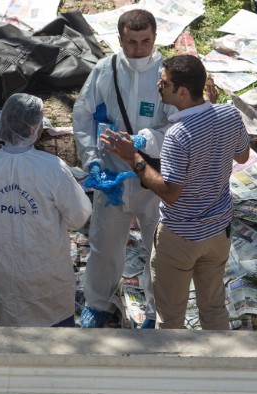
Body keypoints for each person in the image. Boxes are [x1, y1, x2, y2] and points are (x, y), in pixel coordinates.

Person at [102, 55, 250, 330]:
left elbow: (170, 193)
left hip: (180, 237)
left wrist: (133, 158)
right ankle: (219, 367)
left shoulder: (178, 135)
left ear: (182, 91)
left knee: (169, 318)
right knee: (214, 308)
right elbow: (242, 156)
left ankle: (172, 369)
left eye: (165, 81)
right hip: (218, 233)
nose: (159, 84)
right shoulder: (229, 114)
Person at [72, 9, 175, 328]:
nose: (138, 49)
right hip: (112, 177)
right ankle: (100, 303)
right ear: (120, 39)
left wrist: (143, 141)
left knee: (159, 249)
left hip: (151, 176)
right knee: (104, 245)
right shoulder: (105, 70)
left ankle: (157, 308)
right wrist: (91, 161)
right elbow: (82, 114)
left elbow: (175, 125)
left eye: (145, 41)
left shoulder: (166, 75)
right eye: (131, 42)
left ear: (155, 38)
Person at [0, 93, 91, 327]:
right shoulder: (52, 167)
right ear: (35, 126)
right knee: (55, 339)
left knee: (12, 337)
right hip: (45, 273)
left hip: (4, 272)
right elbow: (78, 217)